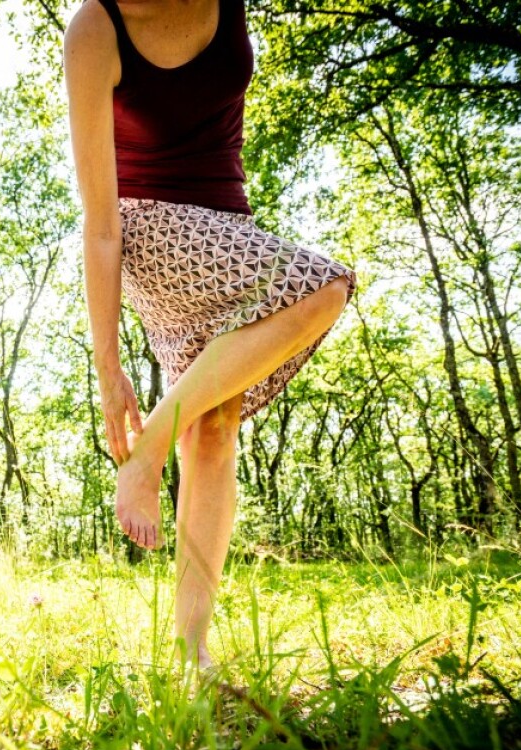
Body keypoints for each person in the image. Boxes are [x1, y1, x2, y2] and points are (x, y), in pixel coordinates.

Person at [63, 0, 357, 669]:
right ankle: (150, 446)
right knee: (324, 286)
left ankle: (189, 654)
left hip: (230, 227)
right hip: (151, 232)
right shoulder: (98, 27)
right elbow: (101, 225)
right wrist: (109, 370)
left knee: (217, 426)